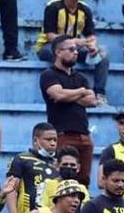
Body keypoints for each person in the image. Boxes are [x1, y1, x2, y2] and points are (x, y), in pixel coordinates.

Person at [39, 38, 102, 179]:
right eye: (71, 50)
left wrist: (68, 94)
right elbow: (58, 95)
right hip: (62, 134)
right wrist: (80, 91)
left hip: (84, 136)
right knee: (60, 179)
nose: (75, 53)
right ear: (58, 52)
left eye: (76, 50)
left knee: (83, 180)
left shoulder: (80, 77)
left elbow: (92, 100)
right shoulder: (49, 75)